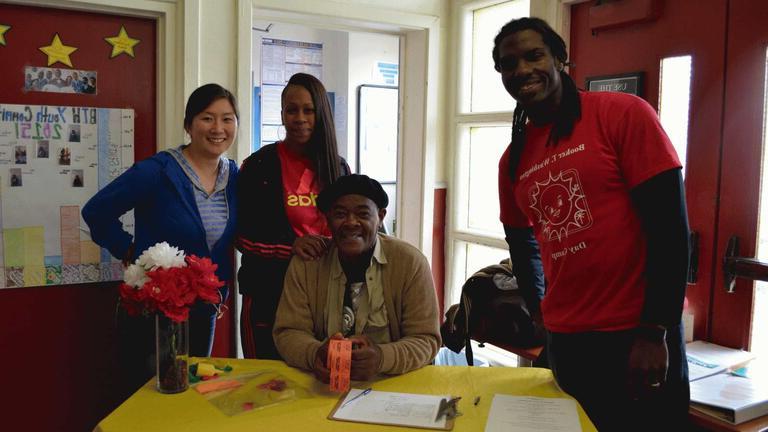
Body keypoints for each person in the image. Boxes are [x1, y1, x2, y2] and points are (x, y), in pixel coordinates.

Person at [494, 17, 690, 431]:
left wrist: (655, 332)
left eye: (534, 56)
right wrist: (542, 314)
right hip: (568, 342)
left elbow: (670, 231)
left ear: (561, 58)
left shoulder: (622, 114)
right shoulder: (512, 161)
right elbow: (522, 243)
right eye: (509, 64)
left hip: (636, 335)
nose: (522, 70)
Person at [82, 83, 239, 395]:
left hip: (202, 312)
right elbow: (96, 211)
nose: (218, 128)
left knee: (192, 392)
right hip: (154, 314)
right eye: (207, 118)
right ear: (188, 124)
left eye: (227, 119)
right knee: (150, 397)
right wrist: (128, 249)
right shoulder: (158, 171)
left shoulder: (234, 176)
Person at [274, 174, 441, 381]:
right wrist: (315, 353)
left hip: (392, 385)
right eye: (340, 214)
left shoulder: (410, 263)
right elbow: (288, 332)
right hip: (323, 385)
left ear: (380, 217)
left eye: (363, 214)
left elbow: (426, 339)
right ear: (327, 219)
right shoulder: (307, 263)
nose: (351, 223)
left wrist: (382, 358)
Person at [236, 72, 350, 360]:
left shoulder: (339, 169)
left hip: (326, 296)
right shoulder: (258, 166)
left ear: (321, 114)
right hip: (268, 295)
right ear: (283, 113)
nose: (299, 118)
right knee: (266, 385)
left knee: (320, 385)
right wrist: (291, 247)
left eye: (308, 110)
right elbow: (239, 235)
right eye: (292, 109)